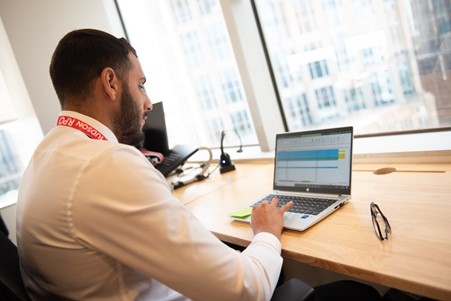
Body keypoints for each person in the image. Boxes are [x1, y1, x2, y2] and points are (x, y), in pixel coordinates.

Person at [16, 28, 381, 301]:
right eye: (140, 85)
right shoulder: (106, 166)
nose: (147, 102)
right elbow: (245, 291)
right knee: (353, 294)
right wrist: (268, 232)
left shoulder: (44, 158)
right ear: (110, 83)